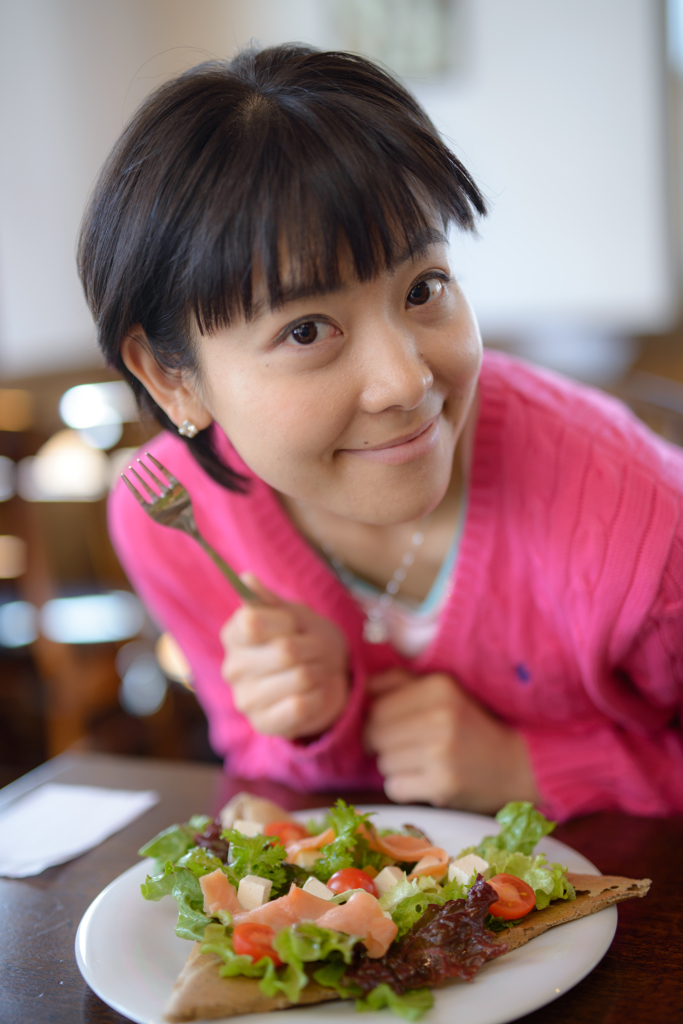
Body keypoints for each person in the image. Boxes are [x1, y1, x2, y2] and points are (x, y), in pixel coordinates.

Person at [79, 44, 683, 820]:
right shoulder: (172, 522)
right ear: (169, 377)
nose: (406, 381)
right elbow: (257, 763)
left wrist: (531, 769)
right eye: (306, 331)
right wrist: (318, 721)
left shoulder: (642, 525)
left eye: (424, 287)